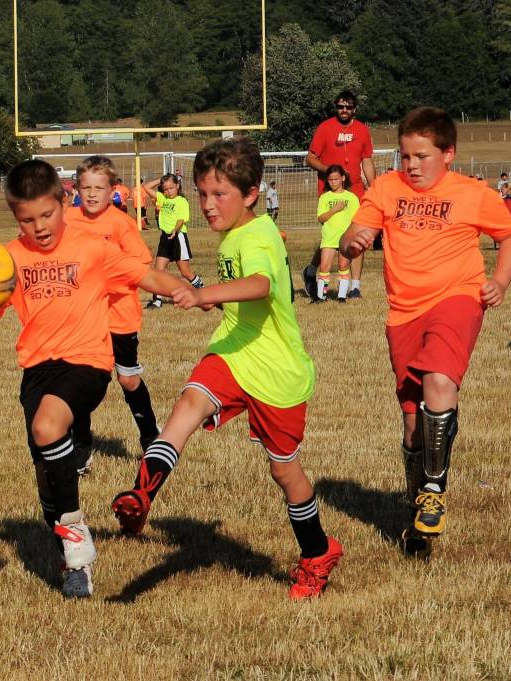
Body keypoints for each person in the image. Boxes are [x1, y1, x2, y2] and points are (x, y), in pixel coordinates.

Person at [111, 138, 343, 600]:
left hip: (276, 369)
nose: (207, 205)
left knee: (285, 473)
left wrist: (204, 294)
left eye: (220, 195)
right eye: (202, 193)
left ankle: (318, 553)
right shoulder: (235, 233)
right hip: (235, 350)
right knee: (189, 404)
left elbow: (259, 285)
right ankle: (142, 496)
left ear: (251, 194)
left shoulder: (258, 235)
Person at [0, 160, 184, 599]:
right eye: (27, 220)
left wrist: (189, 291)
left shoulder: (92, 247)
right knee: (47, 472)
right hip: (37, 367)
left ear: (63, 203)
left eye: (46, 215)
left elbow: (144, 275)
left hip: (87, 361)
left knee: (47, 427)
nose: (39, 227)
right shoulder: (9, 257)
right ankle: (73, 554)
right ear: (15, 218)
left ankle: (79, 548)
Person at [340, 107, 511, 557]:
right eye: (405, 156)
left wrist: (498, 281)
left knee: (440, 382)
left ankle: (434, 490)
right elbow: (351, 234)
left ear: (449, 154)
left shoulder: (473, 193)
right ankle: (416, 510)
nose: (412, 166)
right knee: (411, 426)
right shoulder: (386, 188)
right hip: (404, 314)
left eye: (422, 156)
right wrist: (354, 241)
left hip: (457, 299)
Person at [64, 155, 159, 473]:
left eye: (99, 187)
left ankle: (151, 440)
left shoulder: (121, 223)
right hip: (82, 318)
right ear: (76, 188)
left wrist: (102, 273)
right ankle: (81, 448)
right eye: (85, 187)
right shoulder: (67, 219)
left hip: (119, 316)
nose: (91, 194)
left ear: (113, 190)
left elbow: (140, 265)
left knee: (128, 379)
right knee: (78, 381)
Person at [306, 91, 377, 298]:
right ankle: (312, 270)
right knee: (332, 237)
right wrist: (330, 171)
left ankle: (355, 286)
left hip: (354, 191)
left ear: (354, 108)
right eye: (340, 106)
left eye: (348, 107)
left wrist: (374, 187)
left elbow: (367, 160)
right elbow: (310, 159)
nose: (344, 110)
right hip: (331, 192)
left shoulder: (362, 130)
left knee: (357, 235)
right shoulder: (325, 128)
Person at [142, 173, 203, 309]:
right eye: (166, 189)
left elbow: (181, 219)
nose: (168, 191)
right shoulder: (163, 199)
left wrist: (175, 230)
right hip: (165, 237)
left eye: (171, 188)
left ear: (177, 186)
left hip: (178, 236)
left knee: (185, 272)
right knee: (158, 271)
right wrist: (162, 179)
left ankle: (203, 291)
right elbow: (145, 187)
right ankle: (157, 301)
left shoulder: (181, 201)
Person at [313, 165, 359, 303]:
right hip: (329, 237)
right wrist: (334, 209)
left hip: (345, 238)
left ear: (343, 178)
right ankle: (322, 295)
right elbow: (321, 218)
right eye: (330, 179)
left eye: (336, 179)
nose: (333, 182)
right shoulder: (325, 198)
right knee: (324, 267)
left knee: (343, 266)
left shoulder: (351, 198)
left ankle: (341, 296)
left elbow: (356, 218)